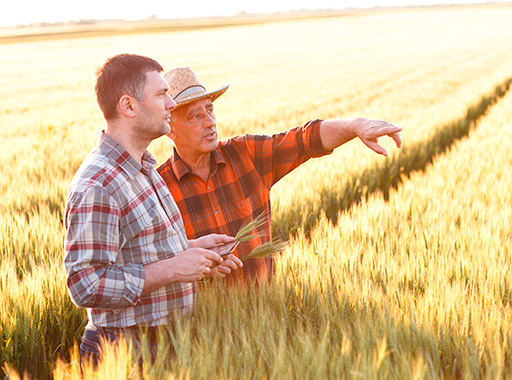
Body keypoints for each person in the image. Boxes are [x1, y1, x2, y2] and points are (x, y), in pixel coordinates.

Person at [63, 55, 242, 367]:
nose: (171, 104)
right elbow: (84, 284)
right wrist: (173, 269)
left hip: (165, 345)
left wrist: (193, 254)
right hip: (124, 353)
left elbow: (138, 250)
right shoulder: (100, 183)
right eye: (162, 94)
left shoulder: (144, 166)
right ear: (129, 106)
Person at [156, 67, 402, 283]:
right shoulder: (157, 188)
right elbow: (151, 262)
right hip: (203, 328)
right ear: (170, 128)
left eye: (210, 110)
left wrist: (355, 126)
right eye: (196, 116)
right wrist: (197, 270)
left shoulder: (245, 154)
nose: (210, 122)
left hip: (267, 312)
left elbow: (304, 140)